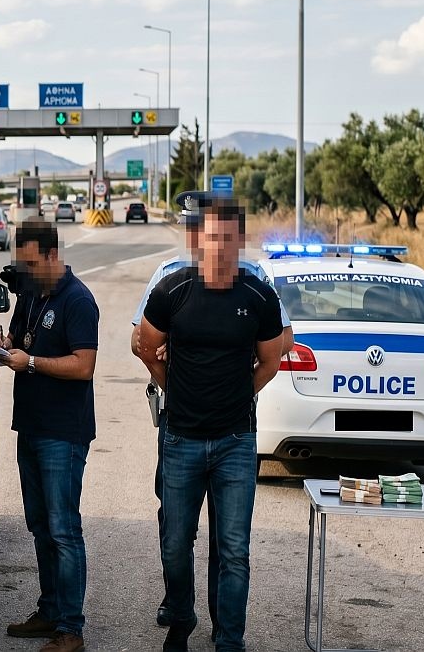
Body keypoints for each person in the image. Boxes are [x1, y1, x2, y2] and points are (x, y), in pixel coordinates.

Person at [130, 191, 294, 639]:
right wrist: (173, 387)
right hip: (180, 437)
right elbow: (144, 345)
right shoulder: (172, 288)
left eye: (228, 237)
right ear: (198, 240)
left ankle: (230, 640)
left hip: (236, 443)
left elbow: (273, 359)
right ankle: (181, 620)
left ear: (239, 241)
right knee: (175, 547)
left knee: (235, 551)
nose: (219, 245)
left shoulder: (258, 294)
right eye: (211, 237)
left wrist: (241, 396)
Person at [0, 219, 98, 652]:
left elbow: (83, 365)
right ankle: (50, 610)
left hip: (63, 433)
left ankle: (71, 629)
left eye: (32, 262)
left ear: (53, 255)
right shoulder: (33, 293)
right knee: (40, 527)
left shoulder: (79, 300)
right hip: (31, 426)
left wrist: (30, 362)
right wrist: (6, 344)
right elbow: (21, 338)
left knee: (63, 529)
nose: (26, 269)